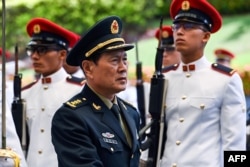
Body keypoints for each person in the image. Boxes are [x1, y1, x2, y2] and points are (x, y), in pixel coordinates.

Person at [160, 0, 246, 167]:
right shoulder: (164, 78)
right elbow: (155, 133)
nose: (180, 32)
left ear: (206, 36)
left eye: (188, 27)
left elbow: (236, 144)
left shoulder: (226, 80)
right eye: (176, 27)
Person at [51, 15, 141, 167]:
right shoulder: (71, 117)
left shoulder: (131, 113)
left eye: (124, 59)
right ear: (88, 68)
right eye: (114, 60)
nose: (123, 67)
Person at [22, 17, 85, 167]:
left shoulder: (80, 90)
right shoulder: (25, 93)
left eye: (42, 50)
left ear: (62, 54)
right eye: (32, 50)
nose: (35, 56)